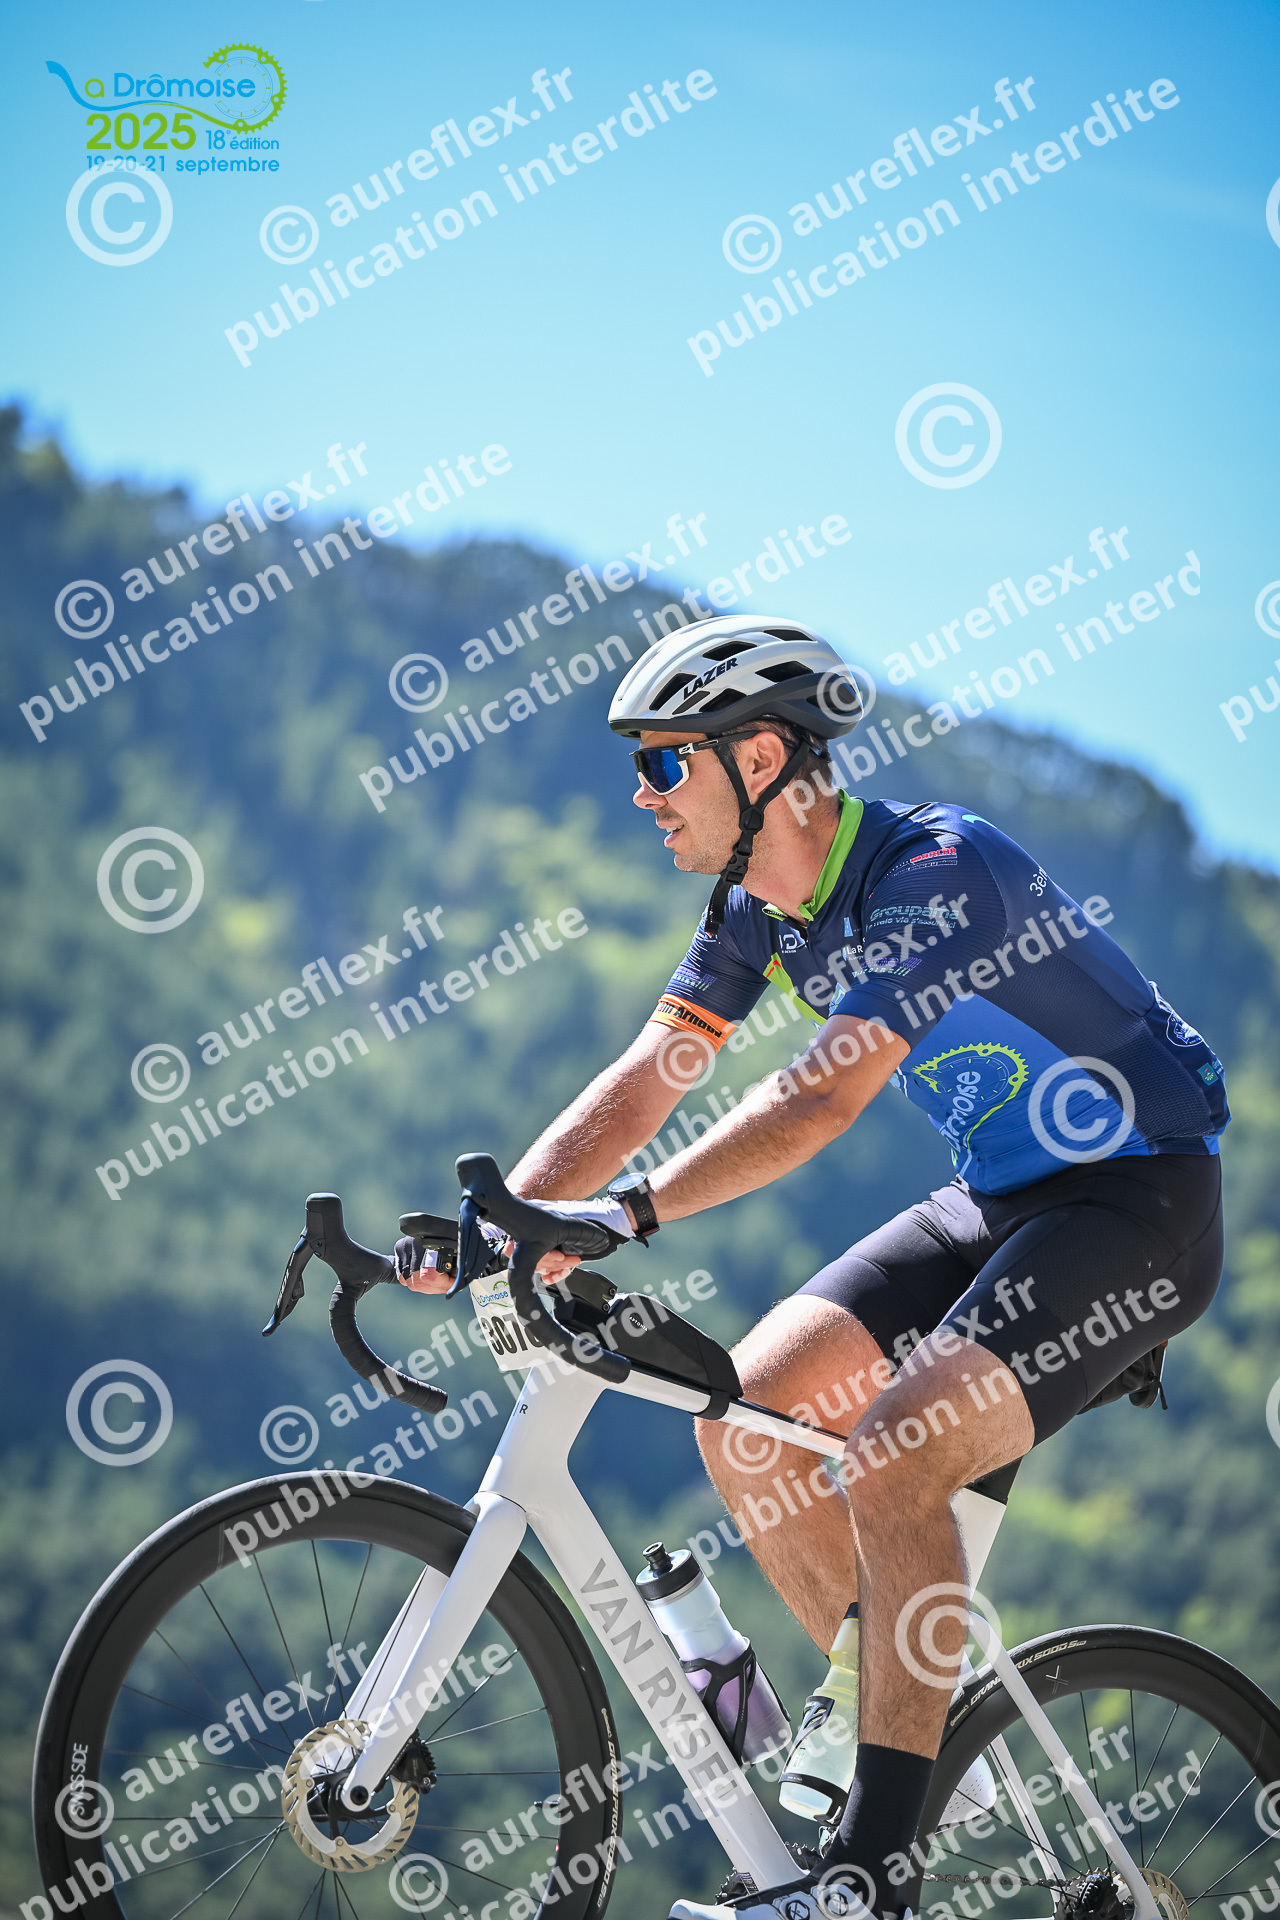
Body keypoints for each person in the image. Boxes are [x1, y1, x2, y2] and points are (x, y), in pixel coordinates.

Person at [404, 615, 1228, 1920]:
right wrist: (503, 1224)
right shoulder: (753, 911)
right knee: (747, 1414)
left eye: (666, 763)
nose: (642, 795)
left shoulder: (938, 870)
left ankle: (872, 1879)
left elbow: (820, 1098)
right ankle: (897, 1715)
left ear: (762, 759)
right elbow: (647, 1077)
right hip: (1001, 1196)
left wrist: (628, 1214)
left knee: (898, 1450)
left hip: (1139, 1199)